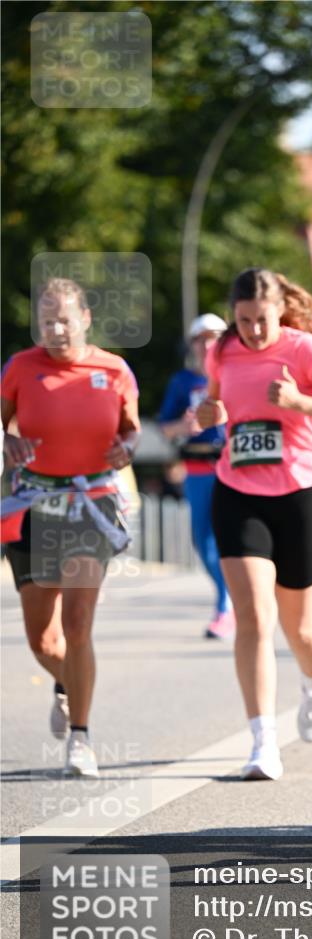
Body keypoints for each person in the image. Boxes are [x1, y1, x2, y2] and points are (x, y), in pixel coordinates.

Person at [197, 268, 312, 780]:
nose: (254, 331)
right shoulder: (222, 351)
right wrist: (207, 413)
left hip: (301, 493)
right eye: (244, 320)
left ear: (280, 311)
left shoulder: (304, 350)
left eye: (262, 320)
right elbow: (212, 405)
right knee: (254, 618)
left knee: (299, 626)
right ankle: (263, 743)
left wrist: (299, 403)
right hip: (238, 493)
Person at [1, 278, 140, 778]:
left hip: (90, 503)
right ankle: (69, 683)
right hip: (34, 504)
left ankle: (80, 738)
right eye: (45, 322)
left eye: (63, 320)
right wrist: (6, 443)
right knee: (43, 641)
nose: (55, 330)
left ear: (85, 319)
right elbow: (1, 424)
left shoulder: (112, 369)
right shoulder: (20, 368)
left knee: (78, 624)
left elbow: (131, 431)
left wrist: (128, 447)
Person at [160, 313, 234, 639]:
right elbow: (166, 427)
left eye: (213, 336)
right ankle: (230, 600)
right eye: (200, 338)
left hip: (234, 465)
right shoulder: (184, 382)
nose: (207, 344)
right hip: (197, 468)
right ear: (192, 344)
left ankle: (226, 606)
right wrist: (184, 428)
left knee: (232, 538)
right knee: (204, 544)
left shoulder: (236, 372)